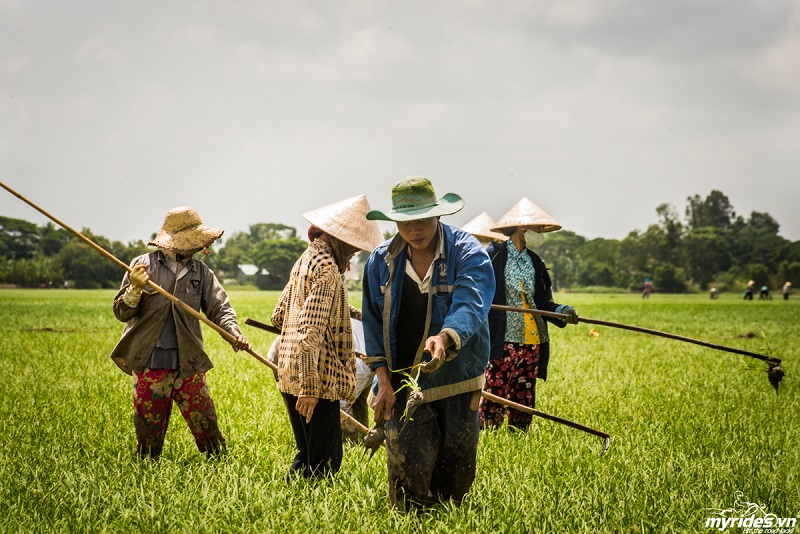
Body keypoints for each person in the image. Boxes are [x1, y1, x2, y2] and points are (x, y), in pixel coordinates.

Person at [362, 176, 494, 508]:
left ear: (439, 215)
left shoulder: (467, 253)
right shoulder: (381, 261)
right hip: (401, 381)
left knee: (455, 472)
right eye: (406, 221)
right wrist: (382, 380)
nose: (415, 229)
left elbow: (470, 302)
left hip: (457, 379)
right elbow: (373, 323)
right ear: (395, 222)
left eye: (423, 219)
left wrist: (445, 337)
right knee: (407, 474)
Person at [110, 206, 251, 459]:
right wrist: (134, 289)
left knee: (206, 424)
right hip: (150, 364)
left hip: (189, 364)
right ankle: (147, 472)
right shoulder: (142, 266)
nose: (199, 247)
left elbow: (220, 309)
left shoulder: (201, 273)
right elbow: (122, 312)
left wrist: (234, 334)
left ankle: (219, 467)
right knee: (149, 432)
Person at [271, 195, 382, 479]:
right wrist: (310, 388)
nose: (355, 252)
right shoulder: (328, 270)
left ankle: (289, 505)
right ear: (340, 240)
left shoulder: (305, 259)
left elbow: (279, 315)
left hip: (289, 370)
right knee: (325, 461)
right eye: (354, 246)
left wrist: (343, 314)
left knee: (307, 453)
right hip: (317, 379)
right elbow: (310, 334)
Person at [479, 197, 578, 431]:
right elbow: (479, 293)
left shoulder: (535, 262)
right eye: (538, 229)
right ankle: (487, 435)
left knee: (523, 395)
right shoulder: (494, 255)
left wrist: (562, 312)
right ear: (522, 228)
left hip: (532, 341)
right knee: (495, 391)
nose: (541, 234)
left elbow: (543, 303)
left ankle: (518, 435)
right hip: (502, 340)